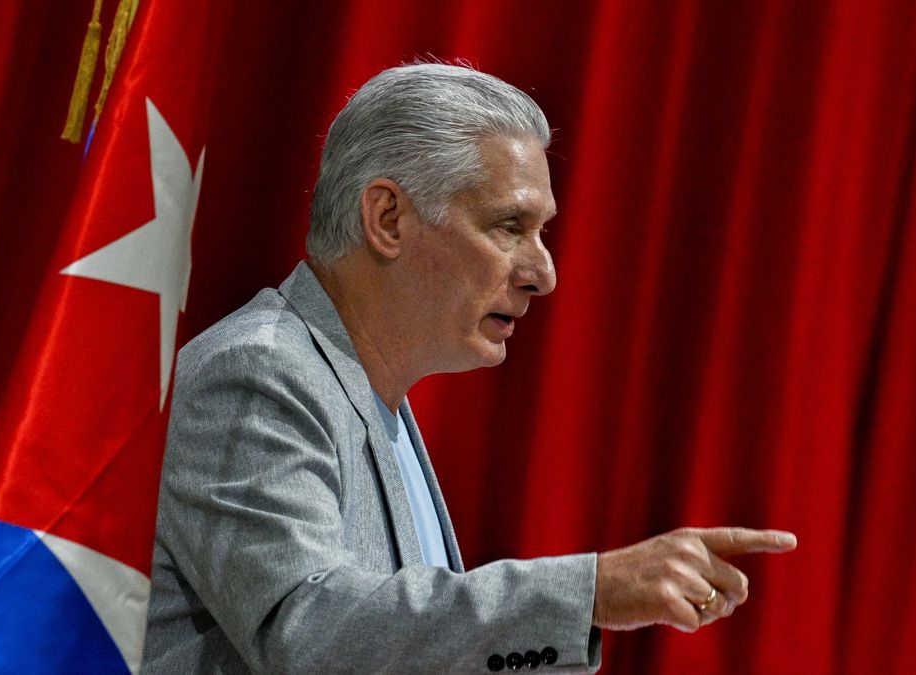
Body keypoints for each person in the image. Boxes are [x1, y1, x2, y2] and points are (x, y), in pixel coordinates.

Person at [141, 62, 797, 674]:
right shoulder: (258, 373)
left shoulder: (372, 394)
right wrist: (589, 592)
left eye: (541, 232)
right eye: (509, 226)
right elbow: (308, 629)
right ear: (388, 219)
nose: (544, 273)